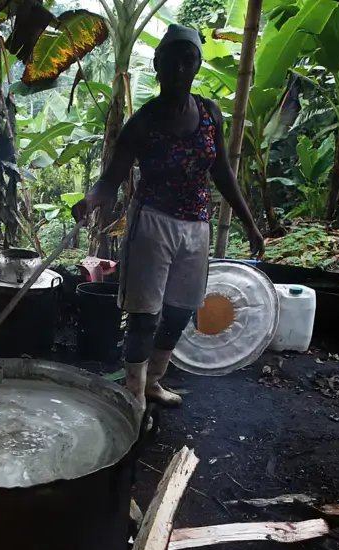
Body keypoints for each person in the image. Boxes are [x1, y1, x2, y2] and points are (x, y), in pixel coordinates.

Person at [73, 24, 264, 406]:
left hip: (197, 227)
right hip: (152, 224)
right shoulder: (142, 123)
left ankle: (153, 382)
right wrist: (91, 200)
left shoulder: (210, 114)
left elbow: (222, 171)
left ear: (196, 65)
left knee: (178, 312)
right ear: (158, 65)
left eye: (188, 61)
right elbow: (109, 181)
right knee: (145, 316)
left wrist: (250, 224)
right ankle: (133, 397)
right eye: (172, 61)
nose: (180, 69)